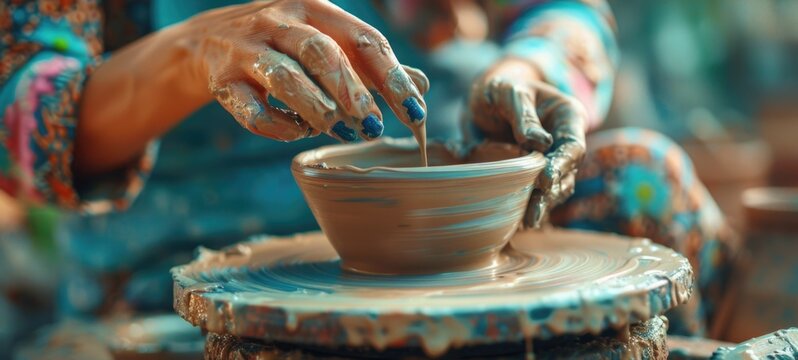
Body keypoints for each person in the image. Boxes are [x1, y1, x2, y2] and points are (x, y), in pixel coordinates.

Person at [0, 0, 735, 344]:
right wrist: (195, 50)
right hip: (183, 270)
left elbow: (567, 11)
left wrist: (527, 69)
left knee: (643, 178)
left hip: (470, 222)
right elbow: (19, 120)